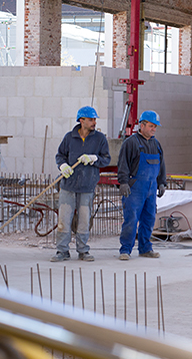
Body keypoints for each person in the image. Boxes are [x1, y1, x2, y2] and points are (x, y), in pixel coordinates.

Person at [51, 106, 111, 262]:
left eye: (94, 119)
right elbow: (60, 155)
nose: (94, 122)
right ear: (81, 120)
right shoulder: (69, 138)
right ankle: (62, 251)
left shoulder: (99, 139)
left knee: (84, 219)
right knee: (64, 219)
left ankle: (83, 250)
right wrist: (63, 166)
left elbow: (106, 159)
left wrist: (93, 158)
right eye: (91, 119)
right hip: (68, 185)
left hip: (87, 186)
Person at [118, 110, 166, 260]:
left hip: (151, 189)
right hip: (135, 189)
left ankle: (145, 248)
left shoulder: (156, 144)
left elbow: (162, 165)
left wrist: (162, 183)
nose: (154, 129)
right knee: (131, 218)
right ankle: (125, 249)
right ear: (142, 125)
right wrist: (124, 183)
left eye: (155, 127)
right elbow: (123, 165)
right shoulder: (130, 143)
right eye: (151, 126)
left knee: (149, 218)